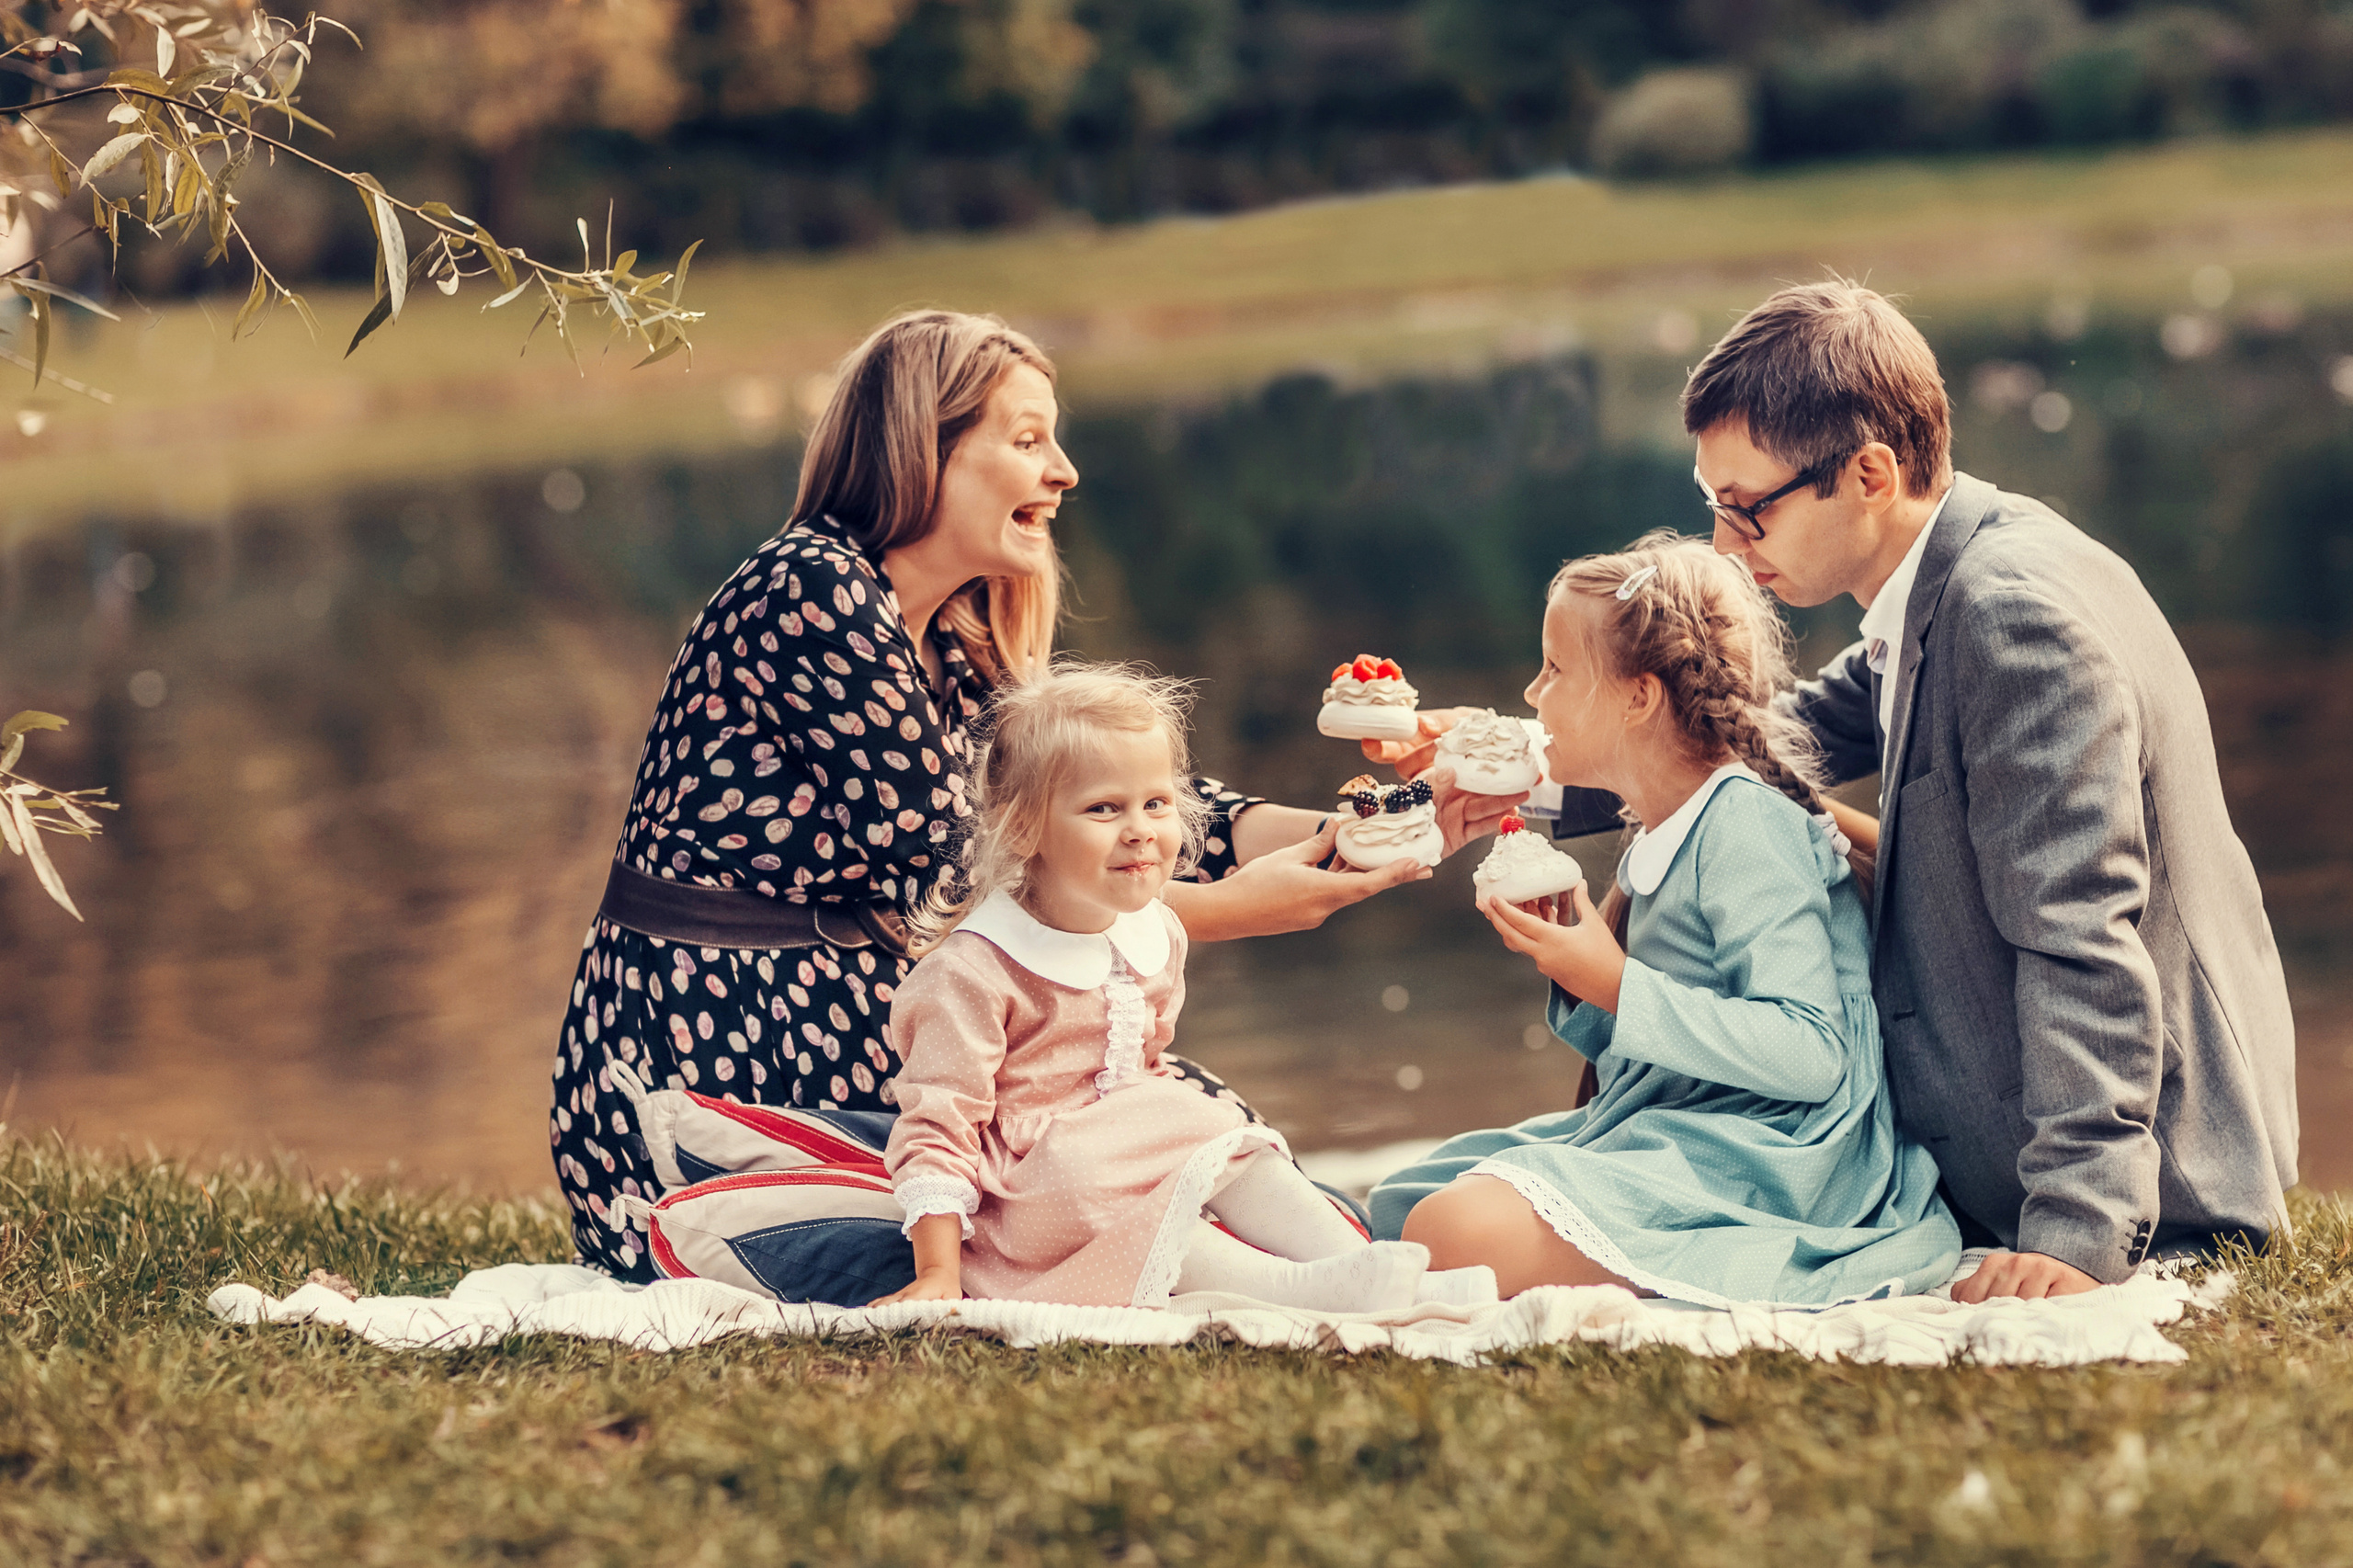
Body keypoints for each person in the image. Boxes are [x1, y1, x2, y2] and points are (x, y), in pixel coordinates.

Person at [552, 310, 1514, 1280]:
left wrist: (1376, 828)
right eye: (1025, 440)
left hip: (871, 1024)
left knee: (1201, 1143)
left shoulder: (960, 631)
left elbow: (1134, 803)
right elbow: (970, 870)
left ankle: (1347, 1272)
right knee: (1101, 1182)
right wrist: (1233, 911)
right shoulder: (812, 588)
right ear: (921, 452)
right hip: (712, 1047)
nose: (1064, 471)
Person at [1685, 279, 2297, 1301]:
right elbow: (1766, 737)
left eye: (1744, 509)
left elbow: (2081, 936)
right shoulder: (1950, 567)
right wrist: (1526, 772)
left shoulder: (2009, 619)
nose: (1722, 545)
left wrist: (2074, 1233)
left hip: (2167, 1176)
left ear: (1868, 473)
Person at [1369, 537, 1961, 1305]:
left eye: (1553, 670)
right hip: (1679, 1122)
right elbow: (1661, 1045)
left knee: (1449, 1234)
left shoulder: (1747, 826)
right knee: (1400, 1200)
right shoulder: (1664, 822)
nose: (1530, 692)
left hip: (1779, 1160)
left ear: (1638, 698)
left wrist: (1613, 982)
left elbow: (1814, 1056)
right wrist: (1576, 977)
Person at [873, 665, 1495, 1311]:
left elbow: (1144, 1061)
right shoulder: (973, 970)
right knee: (1095, 1176)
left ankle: (1359, 1263)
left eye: (1156, 803)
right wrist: (938, 1272)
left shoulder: (1154, 933)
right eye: (1103, 808)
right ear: (1024, 825)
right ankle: (1298, 1290)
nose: (1140, 828)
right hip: (1041, 1194)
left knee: (1218, 1129)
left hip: (1126, 1140)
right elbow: (937, 1129)